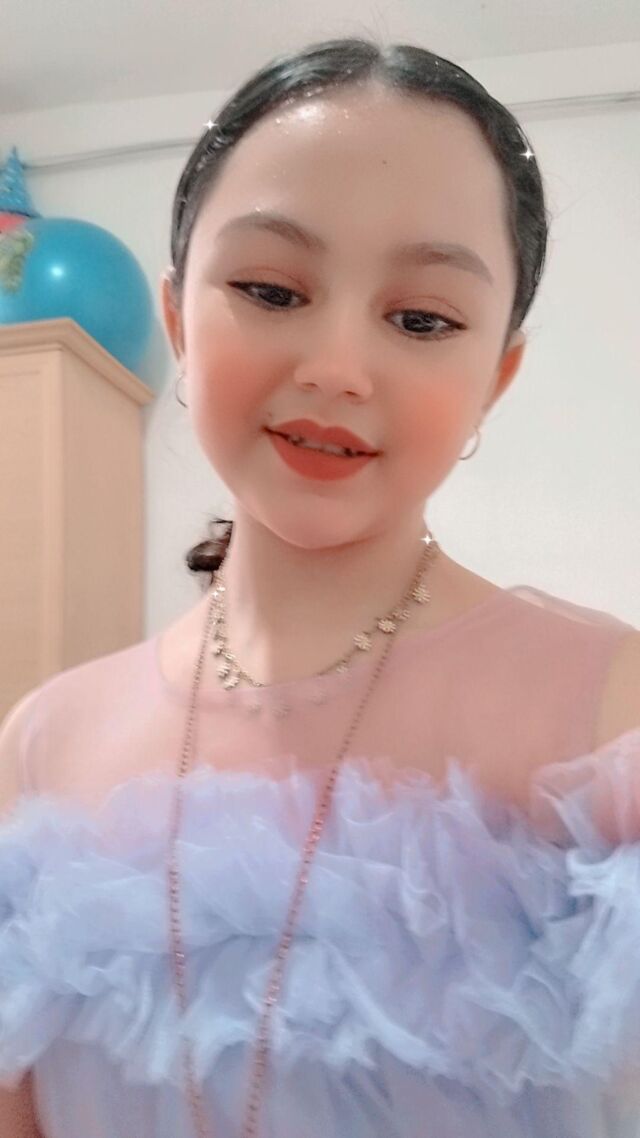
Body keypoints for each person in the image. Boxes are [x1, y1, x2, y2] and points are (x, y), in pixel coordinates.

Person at [1, 35, 640, 1138]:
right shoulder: (43, 744)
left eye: (422, 319)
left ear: (494, 376)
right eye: (270, 289)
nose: (337, 368)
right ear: (176, 321)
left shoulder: (609, 711)